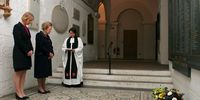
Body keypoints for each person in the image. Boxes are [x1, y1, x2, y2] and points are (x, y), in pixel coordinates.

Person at [12, 12, 34, 100]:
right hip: (19, 53)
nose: (30, 22)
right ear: (26, 18)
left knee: (24, 73)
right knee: (18, 73)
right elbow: (18, 41)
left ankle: (22, 91)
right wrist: (27, 50)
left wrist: (31, 49)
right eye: (30, 20)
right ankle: (18, 93)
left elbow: (29, 41)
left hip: (26, 54)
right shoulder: (17, 27)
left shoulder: (26, 28)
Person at [34, 21, 54, 94]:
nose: (50, 30)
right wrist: (48, 53)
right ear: (45, 28)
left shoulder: (48, 37)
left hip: (47, 57)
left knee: (45, 73)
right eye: (50, 29)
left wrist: (52, 53)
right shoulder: (39, 35)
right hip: (40, 57)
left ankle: (43, 87)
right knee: (40, 73)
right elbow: (40, 46)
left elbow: (51, 46)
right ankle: (40, 88)